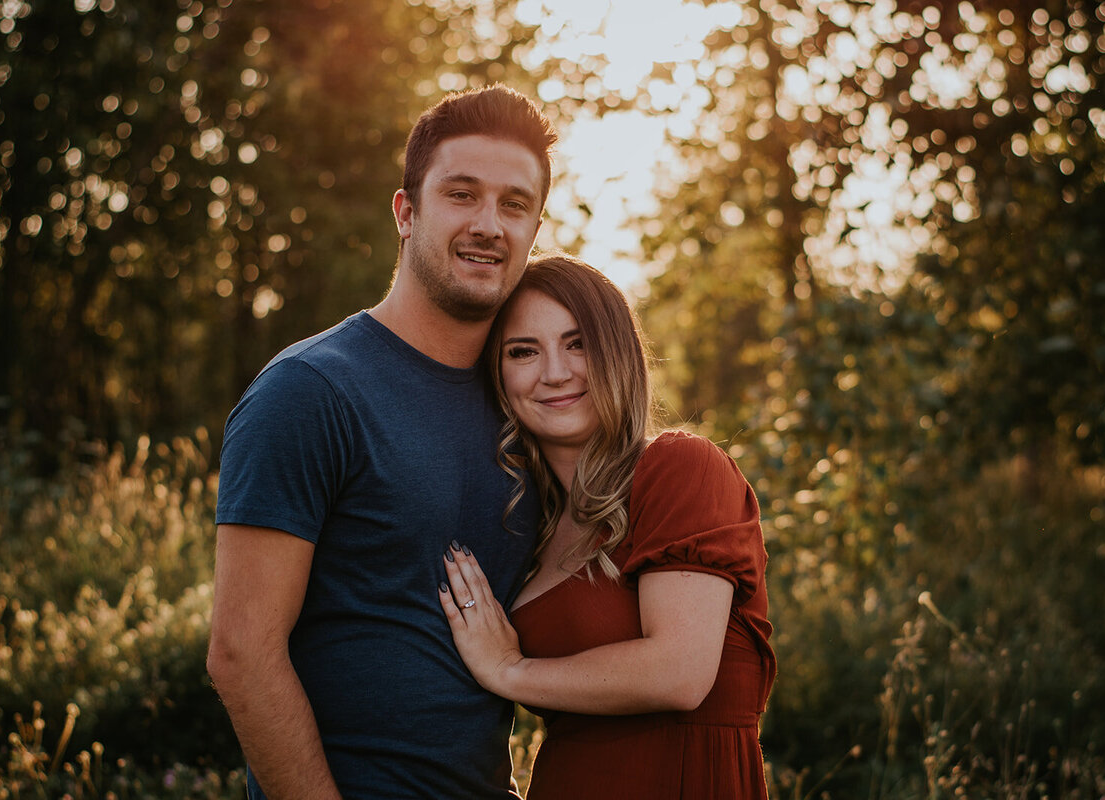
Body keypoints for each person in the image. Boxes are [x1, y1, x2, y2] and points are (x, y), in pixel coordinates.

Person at [207, 85, 558, 799]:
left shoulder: (528, 404)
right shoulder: (310, 391)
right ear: (406, 211)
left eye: (514, 204)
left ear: (534, 227)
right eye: (461, 194)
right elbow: (241, 653)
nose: (489, 224)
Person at [438, 253, 777, 799]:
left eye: (578, 343)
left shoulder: (680, 467)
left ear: (619, 352)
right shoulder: (529, 525)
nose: (555, 372)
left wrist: (510, 671)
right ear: (498, 376)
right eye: (523, 352)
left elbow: (679, 674)